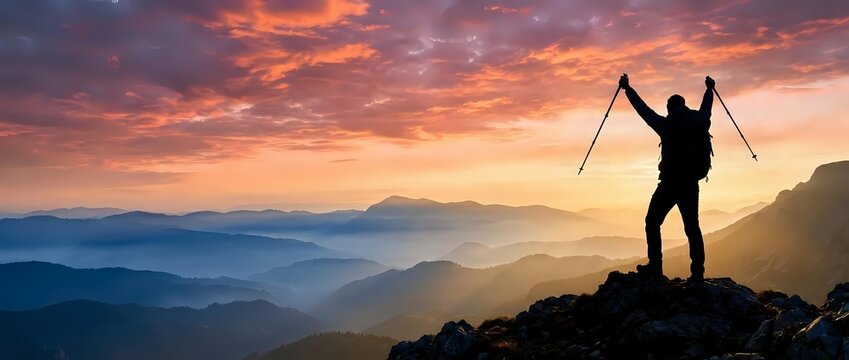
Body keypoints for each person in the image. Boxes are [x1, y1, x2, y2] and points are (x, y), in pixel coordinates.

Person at [618, 74, 714, 282]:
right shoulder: (699, 121)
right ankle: (697, 273)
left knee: (652, 221)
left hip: (670, 183)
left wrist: (628, 89)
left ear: (669, 108)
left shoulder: (665, 125)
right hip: (690, 183)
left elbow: (643, 111)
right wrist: (709, 89)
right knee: (692, 227)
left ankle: (655, 267)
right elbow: (707, 108)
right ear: (684, 105)